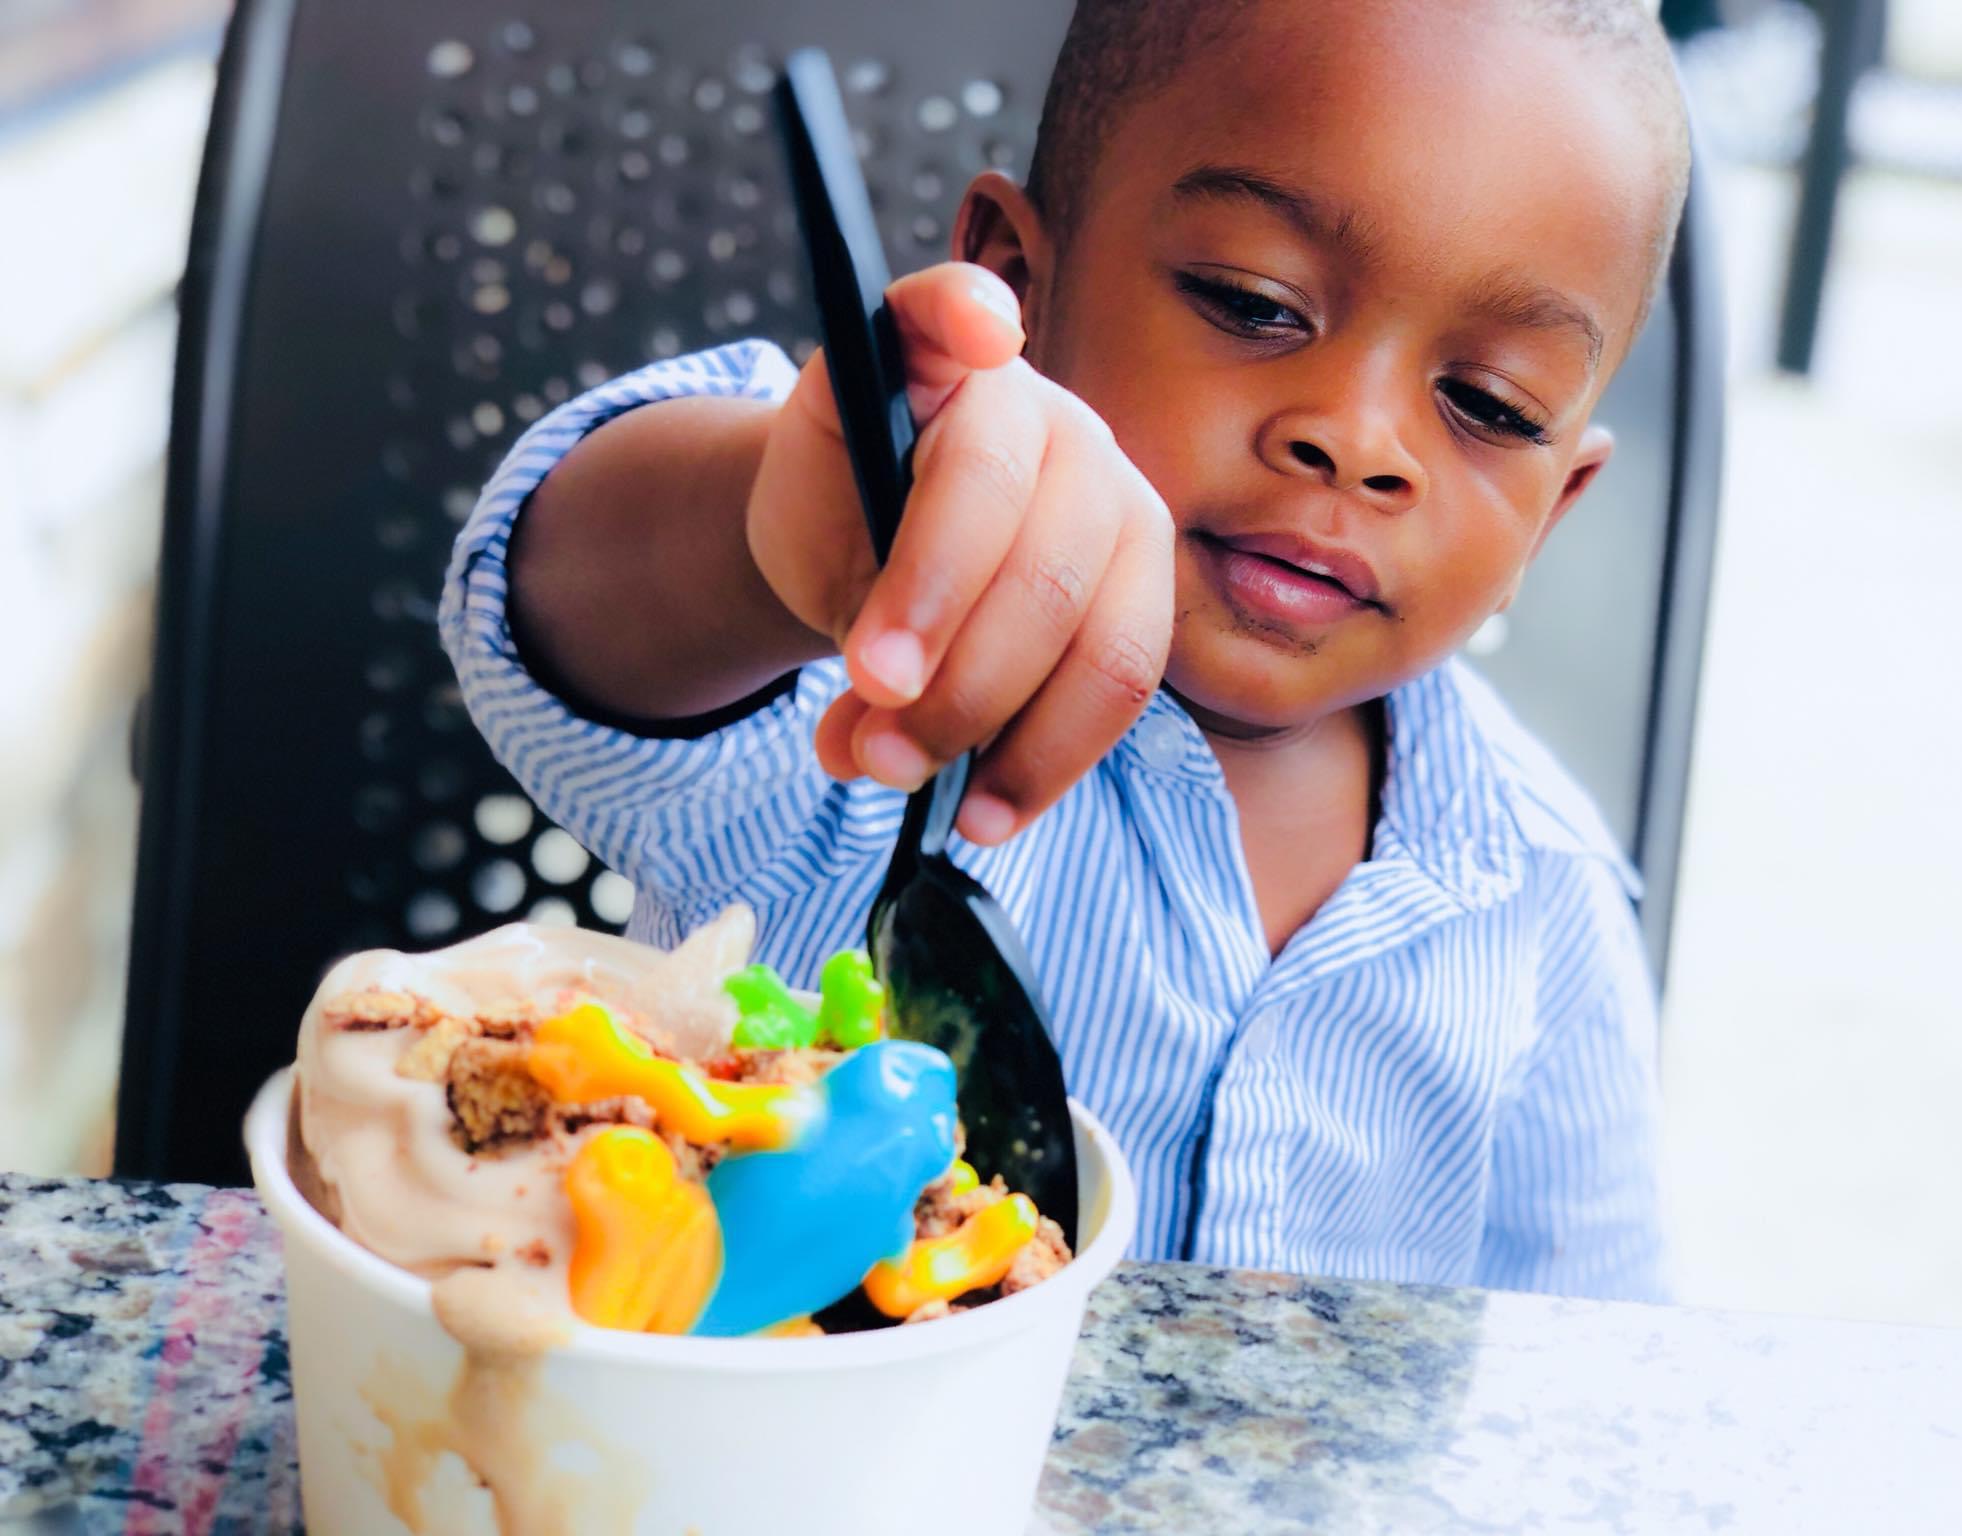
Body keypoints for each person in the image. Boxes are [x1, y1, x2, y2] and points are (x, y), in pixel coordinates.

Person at [443, 0, 1692, 1298]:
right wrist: (777, 535)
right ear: (1018, 279)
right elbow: (545, 607)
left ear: (1558, 506)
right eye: (1253, 302)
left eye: (1488, 406)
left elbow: (1597, 1365)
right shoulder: (867, 667)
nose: (1358, 441)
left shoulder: (1540, 890)